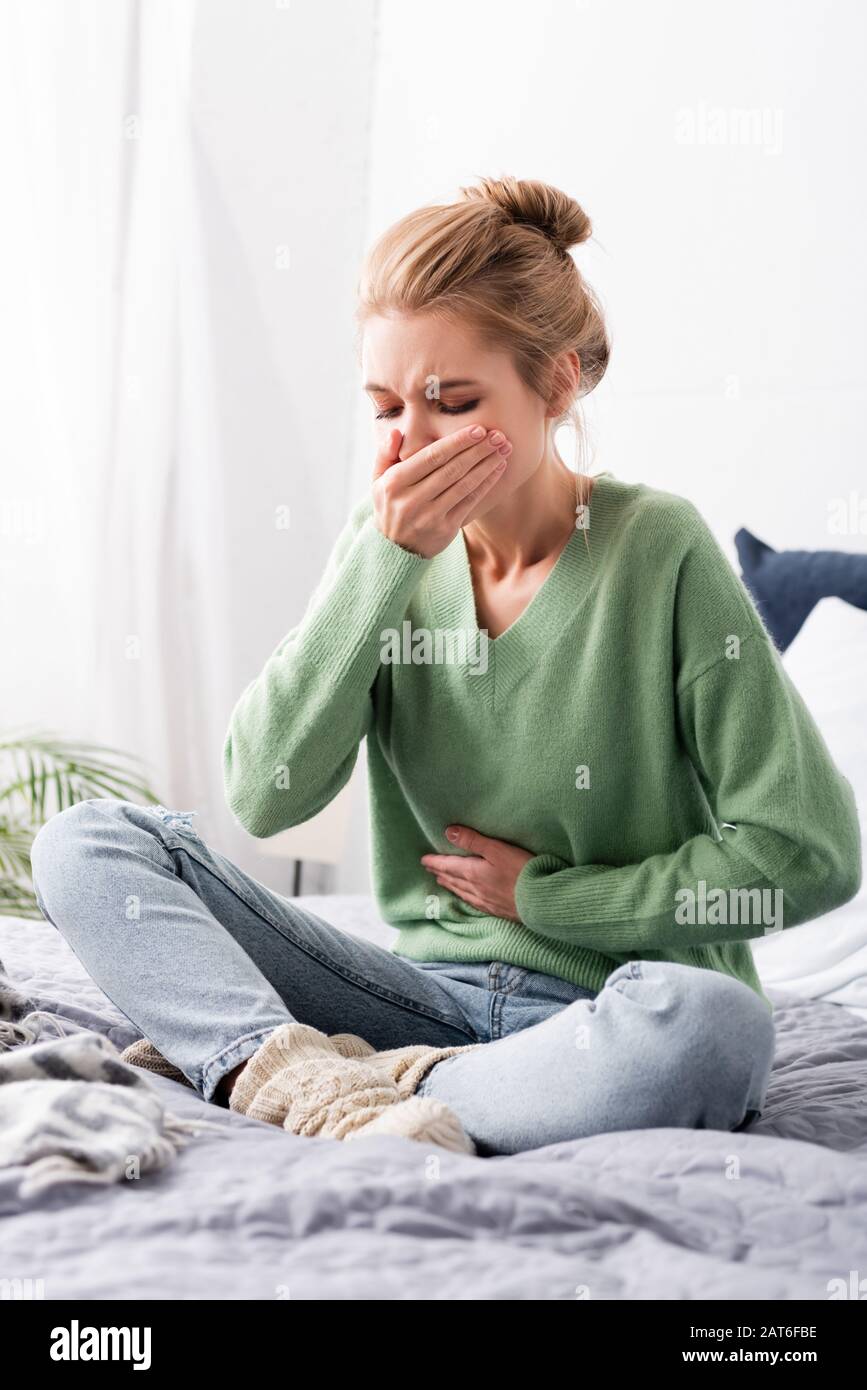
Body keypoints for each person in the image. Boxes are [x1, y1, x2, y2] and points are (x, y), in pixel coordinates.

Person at [30, 177, 861, 1157]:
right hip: (410, 997)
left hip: (609, 1013)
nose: (407, 442)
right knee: (87, 843)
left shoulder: (658, 549)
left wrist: (548, 898)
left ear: (554, 385)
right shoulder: (380, 550)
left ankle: (387, 1085)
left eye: (451, 402)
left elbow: (810, 851)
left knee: (717, 1027)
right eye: (384, 406)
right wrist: (384, 564)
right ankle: (305, 1082)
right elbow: (265, 794)